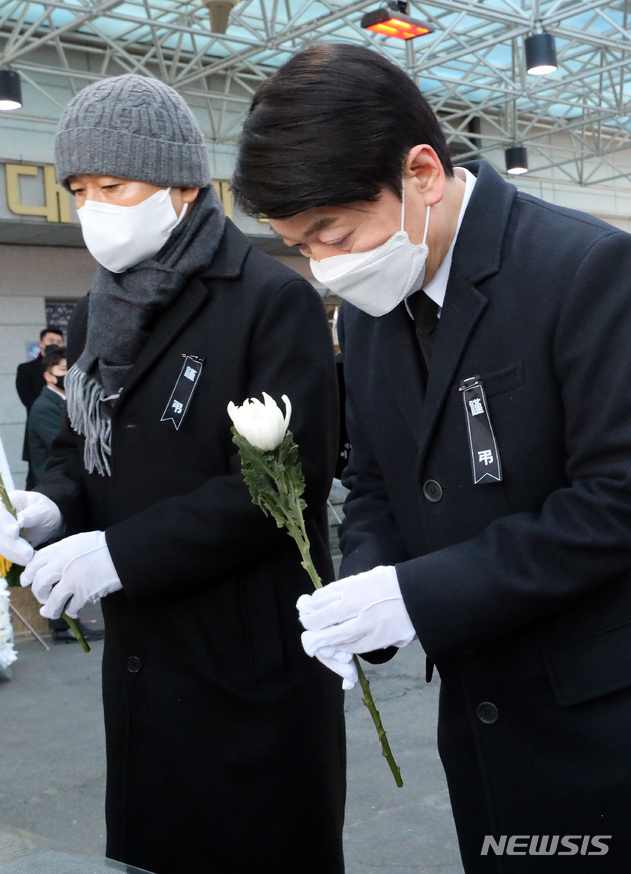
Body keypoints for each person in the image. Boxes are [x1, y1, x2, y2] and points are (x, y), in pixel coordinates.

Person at [231, 42, 631, 873]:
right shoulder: (379, 310)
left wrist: (416, 594)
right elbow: (375, 479)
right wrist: (364, 592)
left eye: (331, 233)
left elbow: (615, 503)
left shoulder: (584, 270)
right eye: (300, 248)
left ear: (421, 174)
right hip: (481, 726)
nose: (325, 268)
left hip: (597, 725)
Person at [0, 74, 345, 874]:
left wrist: (118, 554)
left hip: (250, 656)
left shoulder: (267, 301)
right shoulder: (96, 311)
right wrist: (49, 504)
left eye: (114, 185)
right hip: (148, 661)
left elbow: (280, 485)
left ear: (183, 185)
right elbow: (81, 446)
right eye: (79, 189)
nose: (93, 209)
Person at [26, 345, 104, 643]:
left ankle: (69, 621)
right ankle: (63, 624)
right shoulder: (45, 406)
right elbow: (64, 448)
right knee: (57, 561)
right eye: (62, 371)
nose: (68, 376)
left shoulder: (66, 399)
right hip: (54, 491)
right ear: (48, 376)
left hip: (64, 489)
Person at [16, 327, 64, 488]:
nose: (55, 344)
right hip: (40, 426)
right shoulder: (26, 369)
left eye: (59, 342)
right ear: (41, 343)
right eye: (51, 341)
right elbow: (28, 399)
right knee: (37, 475)